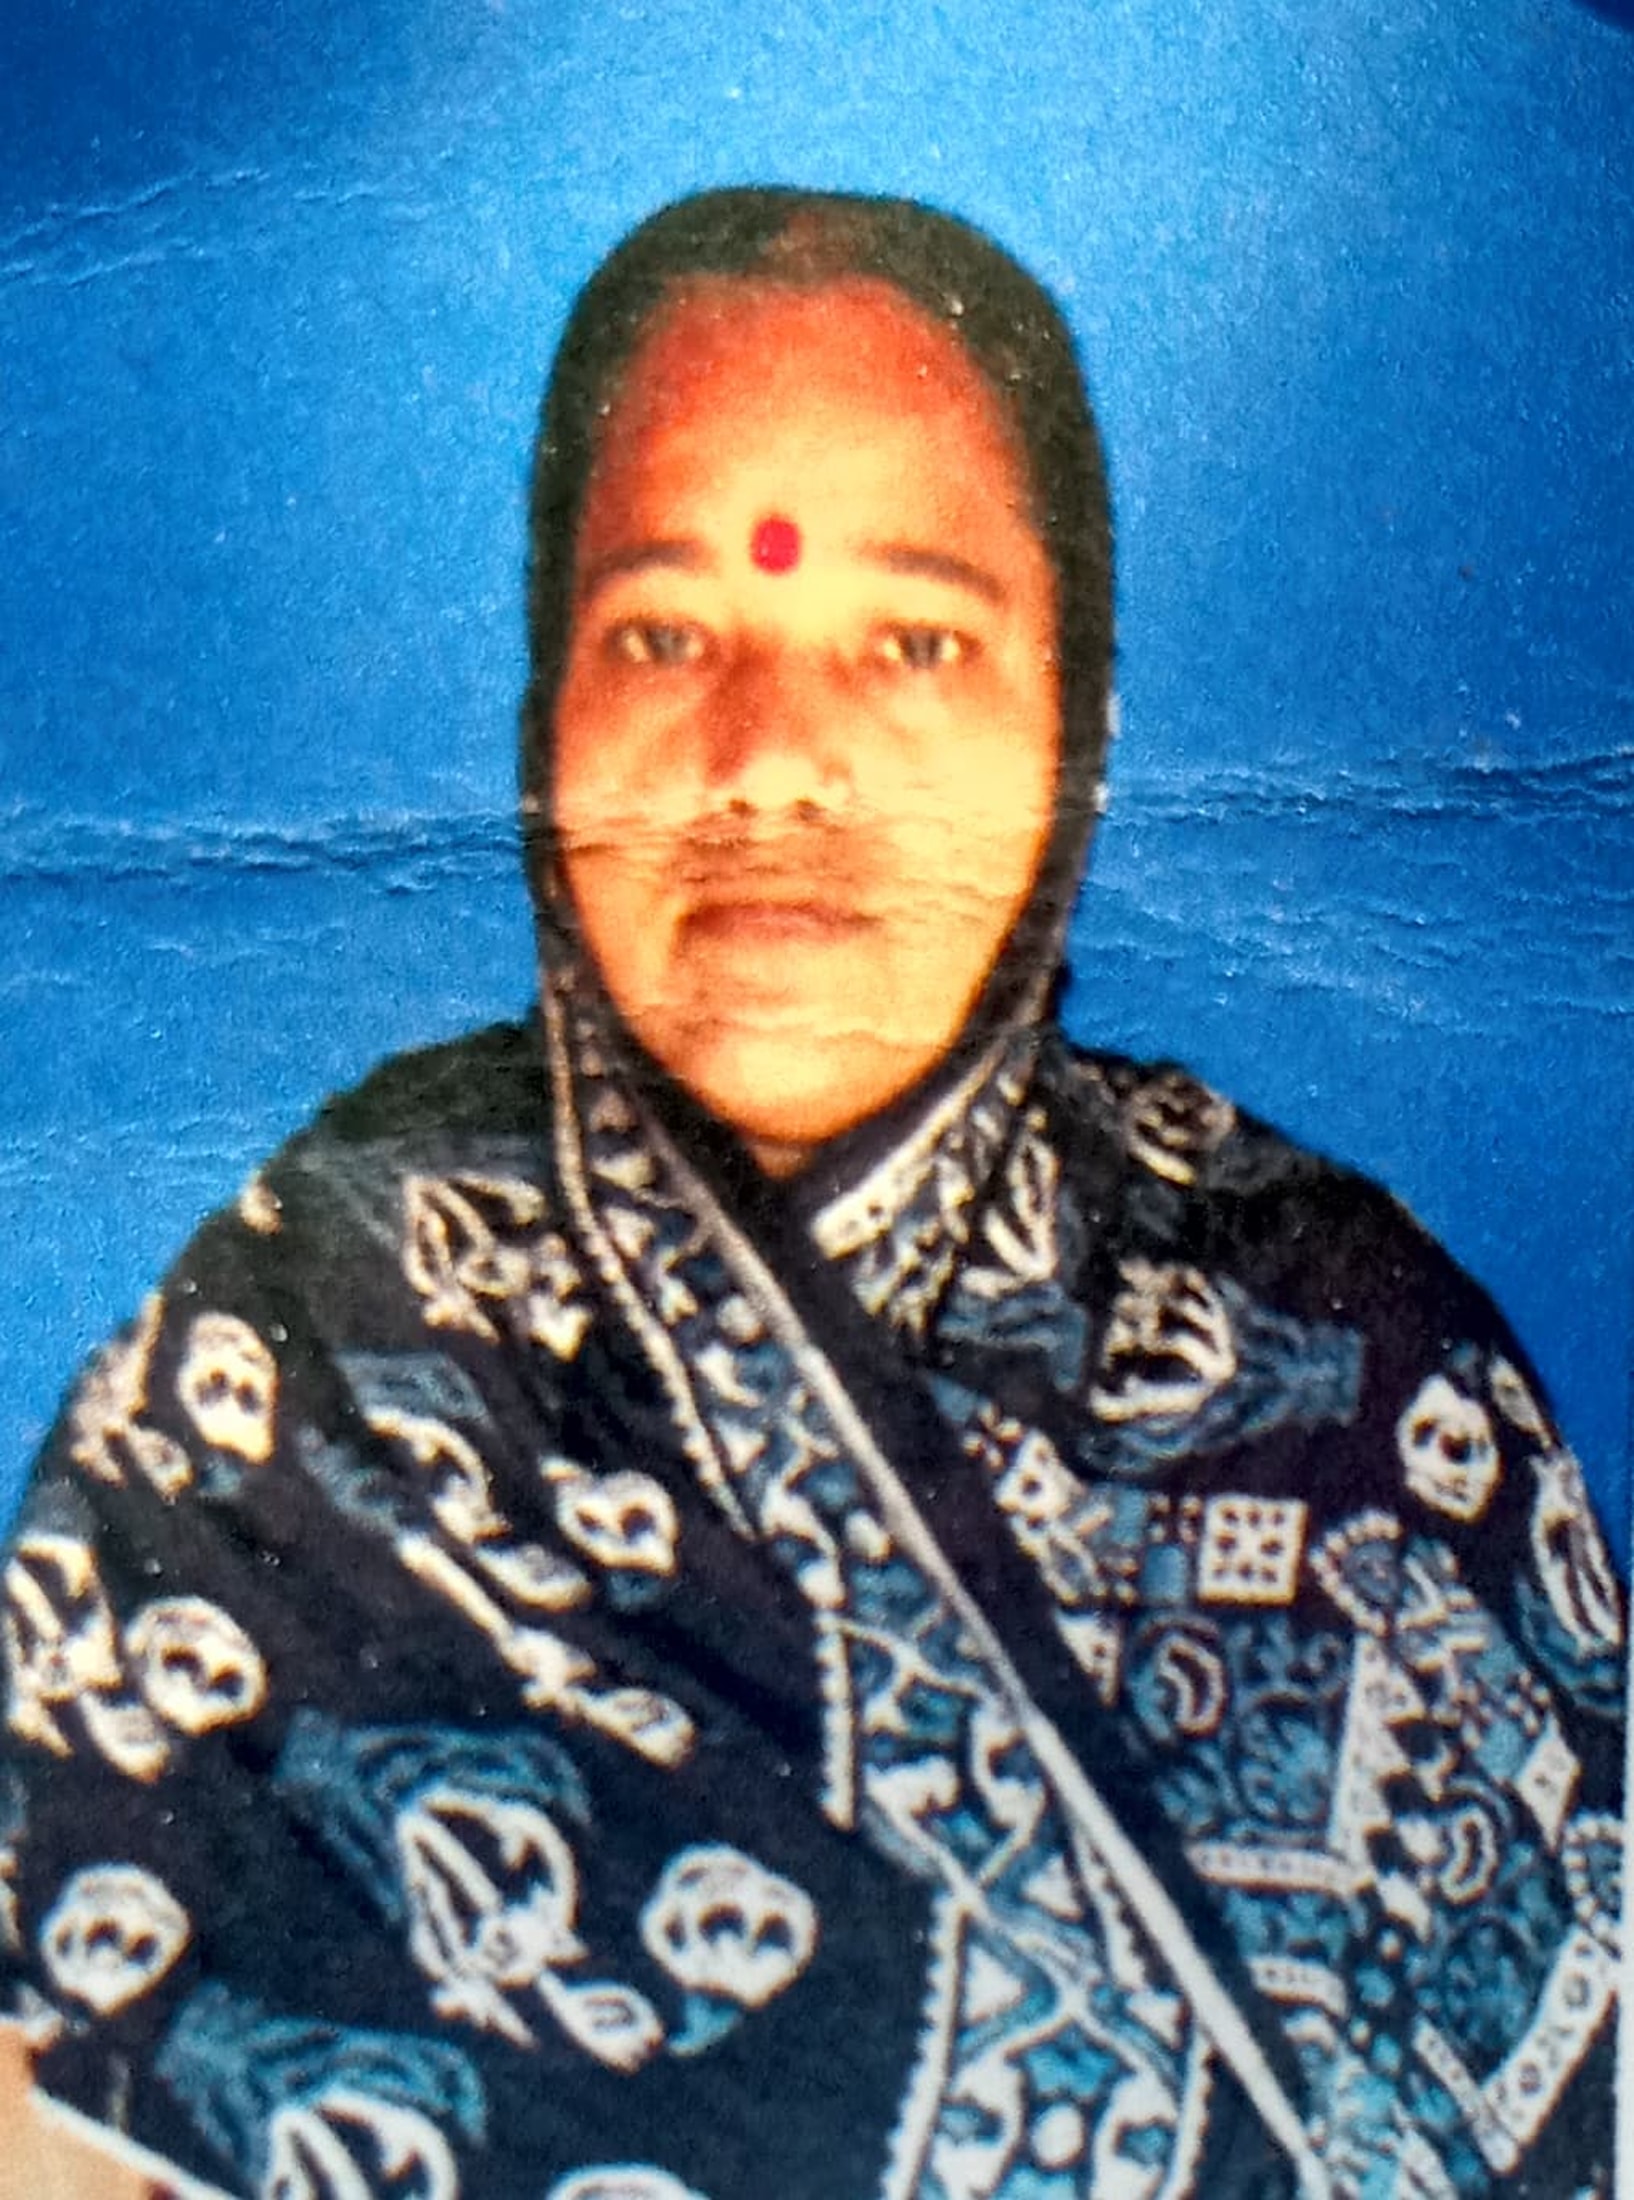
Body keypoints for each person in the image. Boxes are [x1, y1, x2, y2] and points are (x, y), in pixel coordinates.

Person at [0, 188, 1623, 2200]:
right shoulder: (305, 1327)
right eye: (663, 635)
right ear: (542, 714)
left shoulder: (1357, 1365)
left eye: (914, 643)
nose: (771, 758)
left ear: (1082, 725)